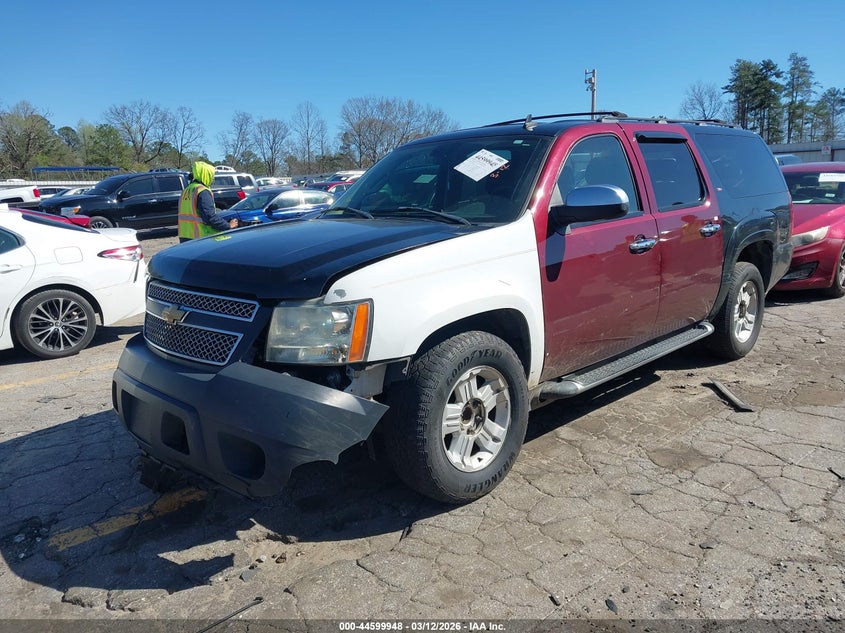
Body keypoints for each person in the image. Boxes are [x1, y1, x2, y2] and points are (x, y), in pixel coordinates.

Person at [178, 161, 238, 242]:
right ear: (205, 175)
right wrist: (228, 225)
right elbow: (210, 217)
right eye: (211, 176)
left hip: (185, 237)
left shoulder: (186, 190)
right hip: (202, 238)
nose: (213, 179)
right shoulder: (202, 191)